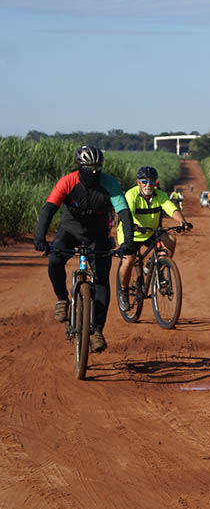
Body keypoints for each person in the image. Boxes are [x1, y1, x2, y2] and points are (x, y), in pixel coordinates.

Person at [33, 145, 136, 353]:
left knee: (101, 280)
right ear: (79, 166)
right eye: (89, 167)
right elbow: (49, 208)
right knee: (54, 260)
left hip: (98, 236)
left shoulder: (109, 183)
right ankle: (62, 299)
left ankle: (97, 331)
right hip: (69, 231)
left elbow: (124, 213)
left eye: (98, 167)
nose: (94, 171)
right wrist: (39, 237)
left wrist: (129, 241)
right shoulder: (67, 181)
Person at [117, 166, 192, 311]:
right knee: (129, 260)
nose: (148, 185)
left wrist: (182, 222)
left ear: (155, 183)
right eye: (144, 182)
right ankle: (123, 291)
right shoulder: (131, 195)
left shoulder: (160, 195)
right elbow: (128, 214)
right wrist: (135, 226)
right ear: (138, 182)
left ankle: (155, 266)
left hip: (150, 232)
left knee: (170, 238)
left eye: (151, 182)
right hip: (131, 232)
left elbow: (171, 208)